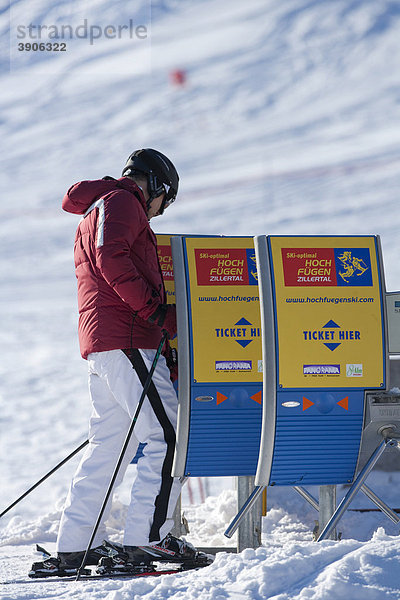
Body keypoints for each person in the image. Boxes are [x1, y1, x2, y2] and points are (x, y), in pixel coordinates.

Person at [30, 149, 210, 578]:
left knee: (111, 444)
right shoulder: (122, 202)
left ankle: (77, 545)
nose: (159, 211)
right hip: (127, 338)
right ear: (157, 187)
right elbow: (112, 257)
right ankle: (149, 540)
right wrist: (153, 312)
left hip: (108, 344)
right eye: (164, 201)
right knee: (169, 434)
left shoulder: (104, 205)